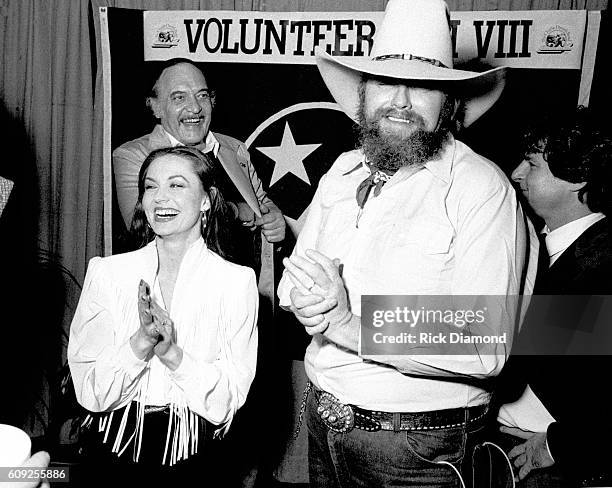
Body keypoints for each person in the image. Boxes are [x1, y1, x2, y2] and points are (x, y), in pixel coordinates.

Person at [277, 0, 537, 486]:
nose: (399, 100)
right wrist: (305, 299)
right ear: (363, 93)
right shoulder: (342, 171)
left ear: (449, 103)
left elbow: (483, 338)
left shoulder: (481, 188)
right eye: (385, 82)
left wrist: (350, 323)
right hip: (324, 426)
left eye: (421, 86)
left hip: (418, 450)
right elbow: (297, 279)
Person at [68, 146, 258, 486]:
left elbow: (227, 400)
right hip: (112, 449)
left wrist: (172, 355)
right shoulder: (107, 273)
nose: (159, 198)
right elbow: (90, 390)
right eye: (150, 186)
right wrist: (140, 343)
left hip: (197, 456)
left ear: (206, 199)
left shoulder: (235, 281)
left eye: (176, 185)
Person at [496, 106, 612, 486]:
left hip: (548, 465)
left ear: (577, 177)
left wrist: (558, 446)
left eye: (532, 164)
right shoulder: (536, 243)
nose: (516, 174)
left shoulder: (603, 267)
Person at [113, 59, 285, 245]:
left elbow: (261, 203)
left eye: (202, 96)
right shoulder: (133, 156)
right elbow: (145, 230)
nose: (195, 108)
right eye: (179, 97)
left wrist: (273, 217)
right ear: (156, 107)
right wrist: (235, 210)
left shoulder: (234, 148)